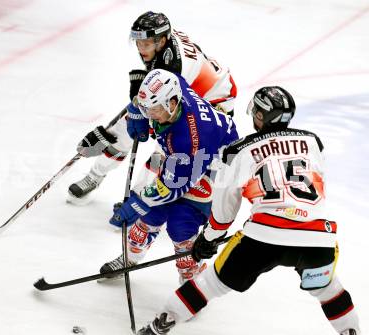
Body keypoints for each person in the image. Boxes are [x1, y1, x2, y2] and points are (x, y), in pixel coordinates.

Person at [137, 86, 361, 335]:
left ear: (261, 116)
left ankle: (162, 324)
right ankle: (351, 332)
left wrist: (209, 238)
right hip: (317, 237)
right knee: (328, 289)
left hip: (263, 236)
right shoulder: (313, 142)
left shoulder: (238, 150)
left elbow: (225, 207)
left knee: (211, 283)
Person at [67, 11, 237, 202]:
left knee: (165, 150)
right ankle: (95, 176)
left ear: (162, 41)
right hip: (189, 90)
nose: (140, 49)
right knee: (126, 134)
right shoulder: (164, 45)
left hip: (213, 101)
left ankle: (140, 200)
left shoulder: (176, 67)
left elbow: (154, 112)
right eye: (138, 43)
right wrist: (111, 133)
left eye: (145, 44)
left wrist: (113, 131)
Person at [99, 69, 238, 283]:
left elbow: (171, 187)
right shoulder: (172, 86)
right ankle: (130, 257)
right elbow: (149, 91)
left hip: (217, 166)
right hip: (191, 156)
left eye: (153, 110)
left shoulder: (188, 140)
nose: (149, 115)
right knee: (151, 214)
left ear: (172, 104)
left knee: (180, 223)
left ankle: (191, 275)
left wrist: (137, 202)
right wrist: (136, 110)